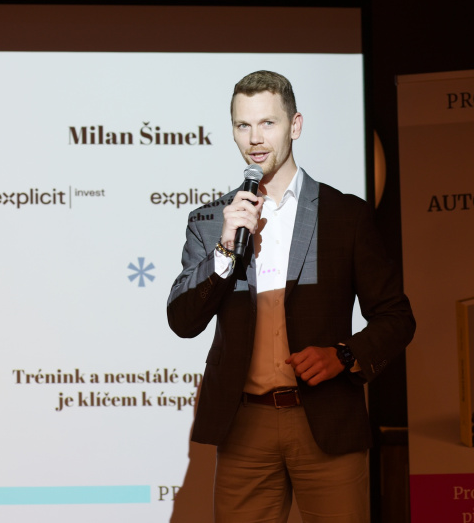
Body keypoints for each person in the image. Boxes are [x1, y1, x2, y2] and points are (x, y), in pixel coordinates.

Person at [167, 71, 415, 522]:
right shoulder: (211, 220)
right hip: (245, 425)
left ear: (295, 125)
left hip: (326, 418)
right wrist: (225, 248)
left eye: (268, 123)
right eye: (243, 125)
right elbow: (183, 321)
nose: (255, 139)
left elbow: (396, 317)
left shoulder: (345, 215)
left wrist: (344, 355)